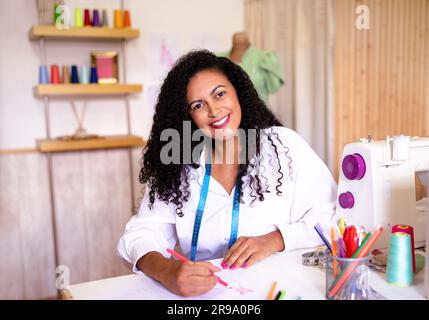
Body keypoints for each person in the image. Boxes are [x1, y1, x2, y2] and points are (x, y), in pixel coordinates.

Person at [117, 50, 336, 297]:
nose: (214, 111)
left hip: (277, 290)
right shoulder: (178, 163)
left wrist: (275, 239)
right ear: (188, 116)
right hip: (205, 295)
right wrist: (167, 271)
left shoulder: (284, 146)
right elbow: (141, 233)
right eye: (198, 105)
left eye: (220, 94)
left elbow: (333, 218)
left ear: (238, 92)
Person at [217, 31, 284, 103]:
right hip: (227, 111)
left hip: (257, 111)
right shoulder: (219, 59)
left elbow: (273, 88)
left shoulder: (264, 58)